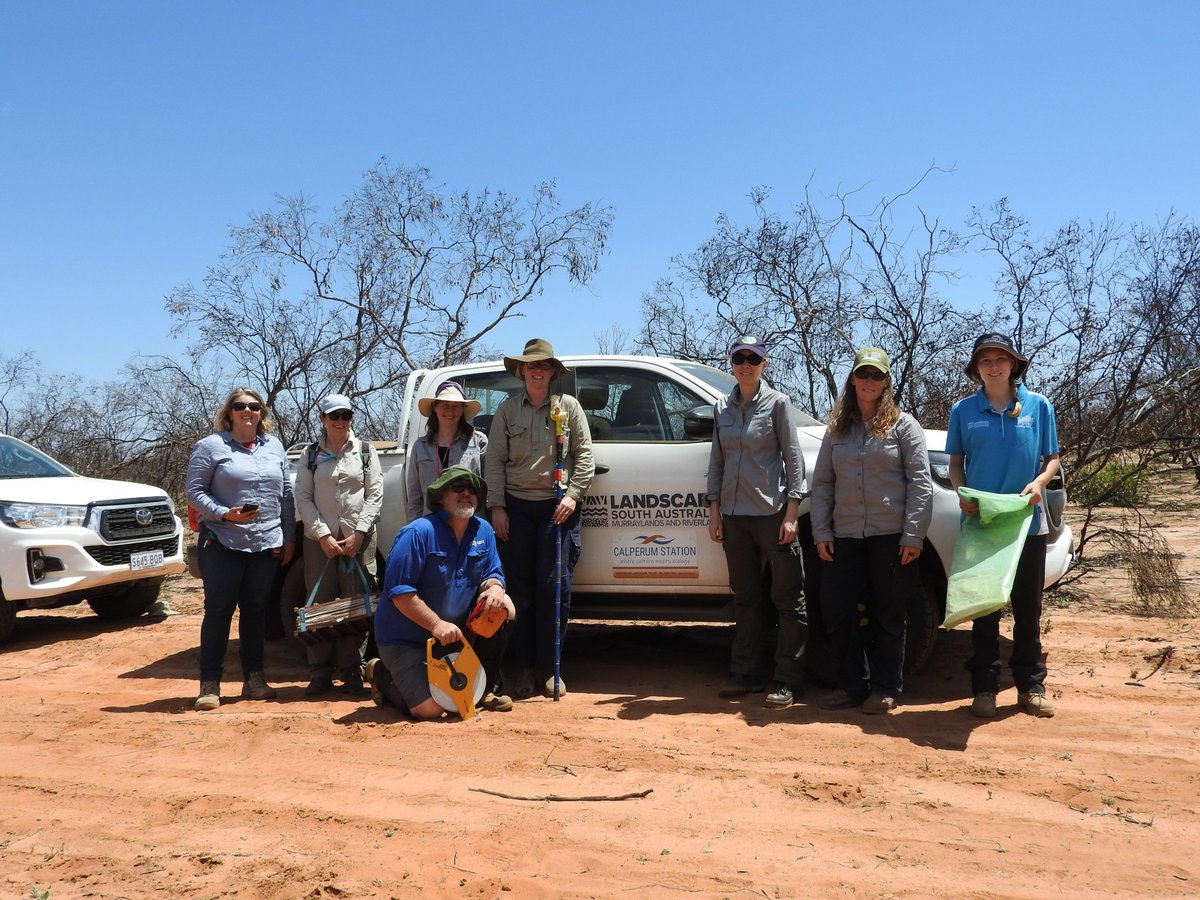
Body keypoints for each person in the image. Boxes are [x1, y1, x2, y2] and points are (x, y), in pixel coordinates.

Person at [811, 348, 932, 715]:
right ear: (852, 379)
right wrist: (821, 531)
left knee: (889, 613)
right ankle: (852, 685)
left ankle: (885, 688)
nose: (868, 381)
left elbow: (920, 483)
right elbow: (822, 484)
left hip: (890, 536)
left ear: (885, 382)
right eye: (862, 374)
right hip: (845, 535)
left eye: (876, 376)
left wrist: (913, 535)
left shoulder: (903, 425)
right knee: (836, 608)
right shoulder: (837, 429)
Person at [947, 332, 1061, 719]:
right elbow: (955, 463)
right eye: (985, 360)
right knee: (984, 608)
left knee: (1028, 609)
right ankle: (984, 688)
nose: (993, 366)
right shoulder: (963, 410)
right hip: (982, 523)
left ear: (1014, 364)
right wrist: (961, 492)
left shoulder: (1038, 406)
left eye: (1000, 359)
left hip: (1028, 522)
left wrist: (1039, 483)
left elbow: (1052, 460)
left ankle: (1031, 685)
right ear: (976, 368)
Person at [484, 338, 594, 700]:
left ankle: (551, 669)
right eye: (530, 366)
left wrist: (574, 496)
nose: (536, 371)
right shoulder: (506, 411)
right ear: (521, 372)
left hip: (556, 509)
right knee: (520, 593)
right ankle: (525, 669)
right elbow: (495, 462)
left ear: (551, 373)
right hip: (516, 509)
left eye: (543, 366)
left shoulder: (569, 408)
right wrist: (497, 506)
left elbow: (584, 458)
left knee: (554, 589)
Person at [706, 336, 808, 708]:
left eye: (754, 359)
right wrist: (714, 510)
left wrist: (793, 513)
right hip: (734, 518)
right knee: (746, 598)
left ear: (765, 364)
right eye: (739, 358)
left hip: (771, 515)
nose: (746, 364)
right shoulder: (722, 407)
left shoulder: (778, 404)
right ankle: (744, 674)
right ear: (731, 363)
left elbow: (794, 461)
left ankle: (788, 679)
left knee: (788, 599)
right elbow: (717, 461)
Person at [366, 466, 515, 719]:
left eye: (472, 490)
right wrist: (435, 624)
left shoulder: (484, 531)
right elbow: (400, 593)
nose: (466, 493)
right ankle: (381, 673)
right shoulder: (418, 533)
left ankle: (485, 688)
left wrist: (496, 588)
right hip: (407, 640)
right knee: (431, 710)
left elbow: (494, 573)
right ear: (441, 498)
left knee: (505, 607)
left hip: (454, 636)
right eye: (458, 488)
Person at [186, 388, 295, 711]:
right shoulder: (211, 446)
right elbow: (193, 491)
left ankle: (254, 679)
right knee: (218, 612)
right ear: (229, 412)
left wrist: (288, 537)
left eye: (254, 406)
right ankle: (209, 684)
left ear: (262, 412)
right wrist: (224, 513)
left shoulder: (274, 447)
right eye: (240, 406)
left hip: (265, 543)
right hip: (222, 541)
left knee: (256, 612)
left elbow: (286, 496)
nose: (247, 411)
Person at [294, 393, 384, 696]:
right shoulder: (309, 455)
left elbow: (375, 494)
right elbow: (303, 497)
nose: (341, 422)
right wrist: (322, 534)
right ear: (323, 419)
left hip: (358, 541)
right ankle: (319, 672)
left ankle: (352, 671)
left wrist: (359, 533)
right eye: (335, 416)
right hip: (319, 543)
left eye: (346, 416)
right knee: (319, 604)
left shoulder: (366, 452)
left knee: (356, 605)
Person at [405, 380, 488, 522]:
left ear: (462, 410)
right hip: (431, 525)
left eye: (456, 406)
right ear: (435, 408)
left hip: (469, 523)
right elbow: (414, 497)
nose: (450, 411)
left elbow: (489, 489)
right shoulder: (420, 446)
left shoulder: (479, 442)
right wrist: (417, 529)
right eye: (445, 405)